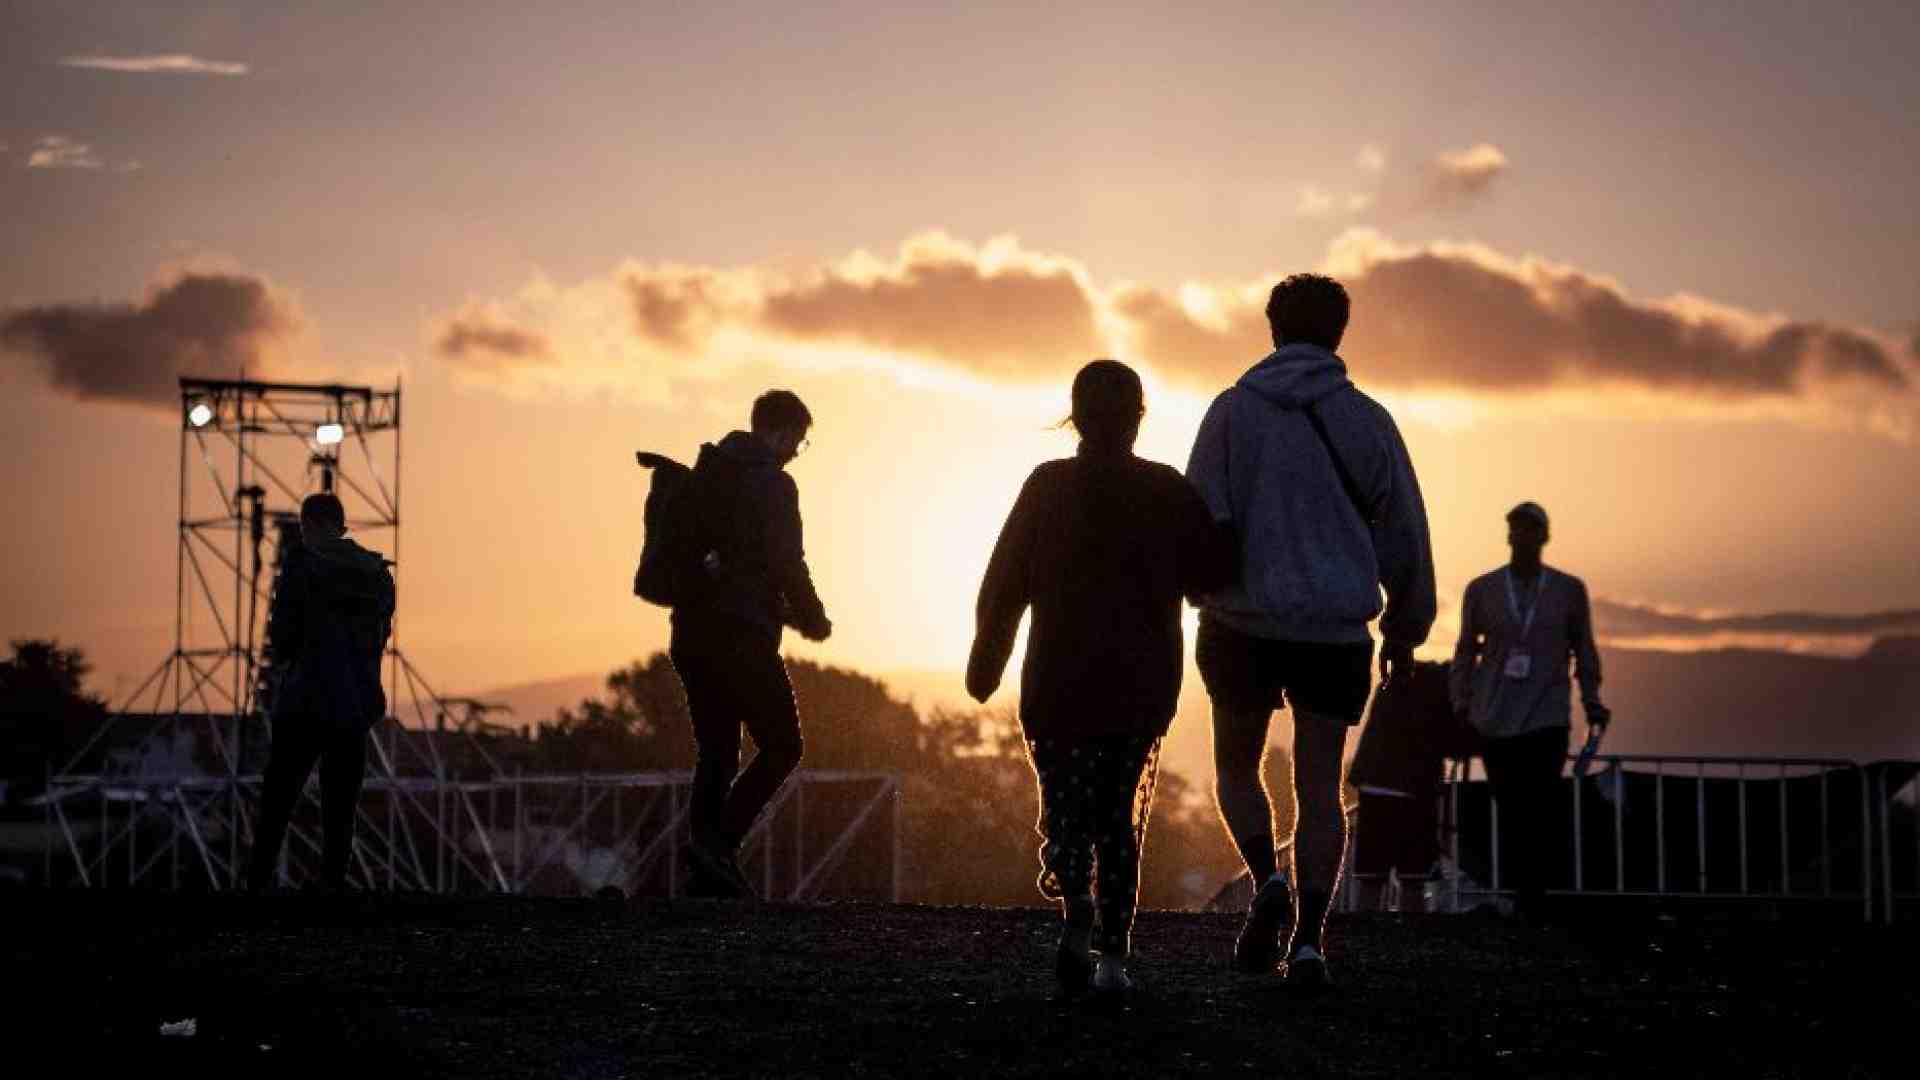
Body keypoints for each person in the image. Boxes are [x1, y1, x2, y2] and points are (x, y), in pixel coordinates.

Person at [1186, 273, 1436, 988]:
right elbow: (1405, 531)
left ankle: (1267, 877)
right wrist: (1406, 628)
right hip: (1334, 629)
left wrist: (1199, 592)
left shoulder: (1231, 413)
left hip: (1241, 622)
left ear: (1272, 329)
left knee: (1236, 767)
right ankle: (1309, 943)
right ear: (1340, 333)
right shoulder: (1369, 422)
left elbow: (1201, 515)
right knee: (1321, 788)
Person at [968, 359, 1232, 996]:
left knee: (1065, 804)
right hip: (1140, 687)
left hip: (1058, 681)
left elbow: (1004, 582)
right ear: (1139, 417)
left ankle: (1073, 912)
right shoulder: (1168, 490)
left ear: (1076, 418)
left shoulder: (1047, 485)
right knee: (1119, 819)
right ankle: (1112, 959)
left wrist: (987, 660)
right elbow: (1208, 580)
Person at [668, 389, 832, 898]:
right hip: (740, 636)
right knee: (784, 744)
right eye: (798, 442)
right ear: (779, 432)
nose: (794, 452)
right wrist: (812, 615)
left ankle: (705, 866)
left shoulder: (705, 476)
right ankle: (717, 845)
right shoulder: (775, 486)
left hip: (692, 636)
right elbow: (788, 561)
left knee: (717, 748)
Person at [1449, 501, 1609, 922]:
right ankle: (1522, 892)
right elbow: (1465, 650)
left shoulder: (1567, 591)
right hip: (1495, 718)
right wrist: (1461, 704)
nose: (1522, 536)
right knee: (1511, 807)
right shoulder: (1482, 590)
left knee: (1540, 807)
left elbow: (1584, 648)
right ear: (1508, 536)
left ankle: (1532, 897)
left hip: (1547, 717)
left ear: (1544, 536)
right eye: (1516, 529)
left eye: (1530, 529)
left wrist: (1591, 698)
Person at [248, 492, 396, 892]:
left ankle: (257, 884)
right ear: (342, 525)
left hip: (304, 701)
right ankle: (332, 885)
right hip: (353, 705)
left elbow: (282, 638)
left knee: (278, 799)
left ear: (309, 524)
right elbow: (380, 638)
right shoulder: (377, 572)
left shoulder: (302, 564)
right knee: (340, 806)